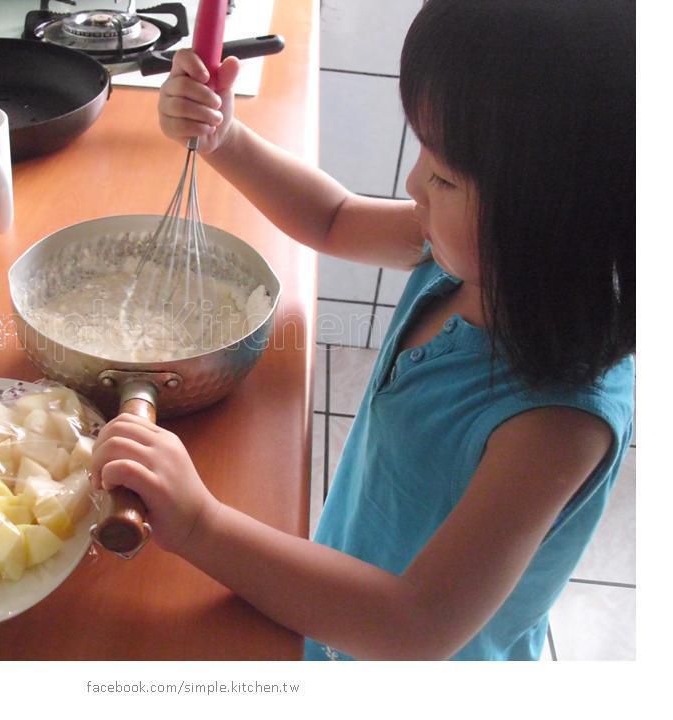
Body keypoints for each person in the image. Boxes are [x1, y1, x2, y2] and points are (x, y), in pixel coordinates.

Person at [90, 0, 635, 660]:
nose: (413, 185)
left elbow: (414, 627)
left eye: (442, 175)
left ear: (553, 210)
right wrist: (225, 136)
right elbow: (333, 217)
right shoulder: (481, 257)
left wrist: (201, 522)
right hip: (340, 594)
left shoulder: (556, 422)